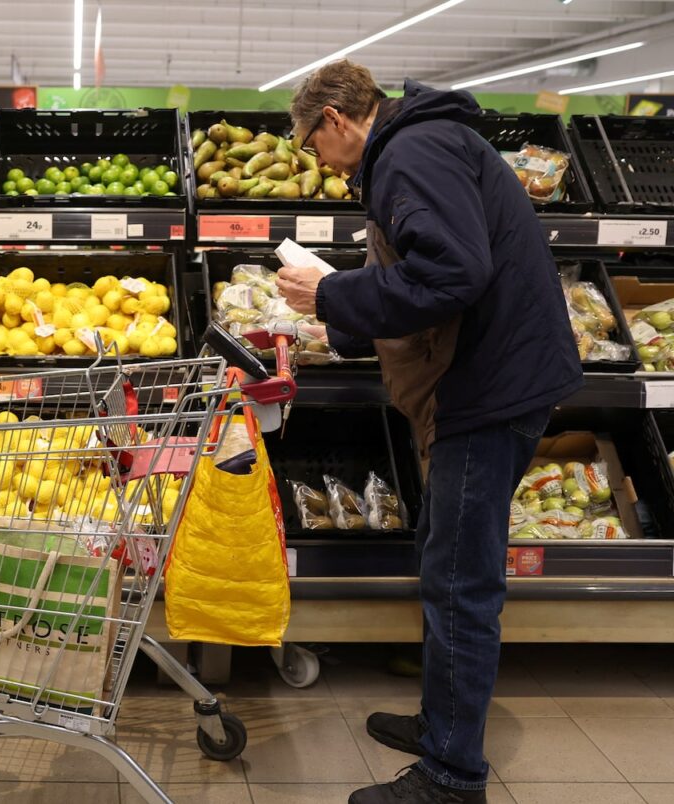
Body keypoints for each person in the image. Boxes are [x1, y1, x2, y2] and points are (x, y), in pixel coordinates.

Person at [275, 61, 583, 803]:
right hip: (489, 376)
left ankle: (452, 776)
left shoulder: (410, 152)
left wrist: (331, 293)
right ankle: (442, 724)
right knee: (443, 555)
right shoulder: (422, 145)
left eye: (313, 144)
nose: (318, 161)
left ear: (338, 121)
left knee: (459, 583)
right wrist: (340, 319)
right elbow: (427, 273)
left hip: (487, 388)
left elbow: (453, 274)